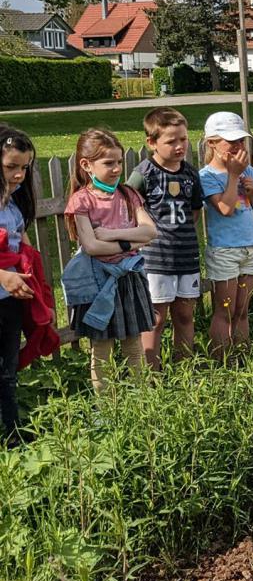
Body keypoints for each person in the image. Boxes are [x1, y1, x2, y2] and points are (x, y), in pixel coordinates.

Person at [63, 128, 157, 393]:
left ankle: (141, 401)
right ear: (86, 165)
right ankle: (106, 409)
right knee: (101, 350)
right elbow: (92, 246)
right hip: (99, 282)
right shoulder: (81, 200)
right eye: (108, 163)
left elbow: (150, 231)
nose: (116, 169)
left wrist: (114, 235)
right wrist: (133, 242)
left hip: (128, 279)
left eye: (118, 162)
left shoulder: (128, 194)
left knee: (133, 345)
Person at [128, 108, 204, 366]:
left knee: (184, 314)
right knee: (156, 318)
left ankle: (185, 368)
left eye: (183, 139)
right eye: (171, 141)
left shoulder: (191, 174)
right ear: (151, 142)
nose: (179, 146)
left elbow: (195, 211)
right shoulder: (144, 173)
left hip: (187, 256)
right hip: (155, 258)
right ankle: (151, 373)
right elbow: (130, 207)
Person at [200, 112, 253, 359]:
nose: (238, 146)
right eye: (231, 142)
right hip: (225, 250)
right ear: (212, 144)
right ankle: (221, 361)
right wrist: (233, 176)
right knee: (225, 310)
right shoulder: (207, 176)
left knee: (242, 309)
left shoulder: (248, 171)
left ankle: (242, 358)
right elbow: (225, 209)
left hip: (250, 246)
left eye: (241, 141)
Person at [0, 128, 42, 444]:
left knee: (7, 370)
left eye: (24, 167)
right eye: (11, 166)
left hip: (10, 299)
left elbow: (20, 246)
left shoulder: (12, 203)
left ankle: (13, 434)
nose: (19, 174)